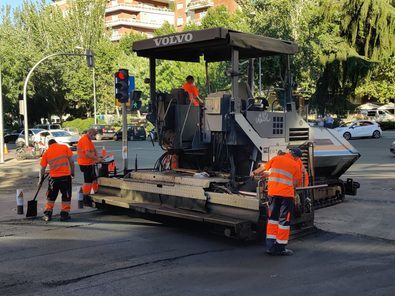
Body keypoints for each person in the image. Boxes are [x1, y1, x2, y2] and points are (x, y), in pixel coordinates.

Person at [251, 148, 304, 256]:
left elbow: (263, 168)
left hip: (273, 194)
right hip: (286, 196)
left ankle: (270, 247)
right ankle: (280, 248)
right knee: (284, 221)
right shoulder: (295, 165)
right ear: (296, 157)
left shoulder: (276, 158)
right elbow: (296, 183)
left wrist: (253, 173)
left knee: (272, 220)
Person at [39, 139, 74, 222]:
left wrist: (41, 179)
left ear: (49, 145)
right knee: (66, 195)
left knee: (51, 196)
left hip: (53, 179)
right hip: (65, 177)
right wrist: (72, 173)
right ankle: (64, 215)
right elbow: (72, 162)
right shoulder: (64, 147)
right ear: (56, 143)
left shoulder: (47, 152)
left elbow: (42, 168)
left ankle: (47, 215)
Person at [77, 129, 103, 204]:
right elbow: (88, 153)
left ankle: (95, 192)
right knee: (88, 180)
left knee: (93, 178)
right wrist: (97, 158)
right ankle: (86, 197)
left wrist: (97, 156)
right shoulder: (85, 140)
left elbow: (93, 150)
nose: (94, 136)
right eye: (93, 135)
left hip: (89, 163)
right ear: (90, 133)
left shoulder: (88, 140)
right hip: (85, 163)